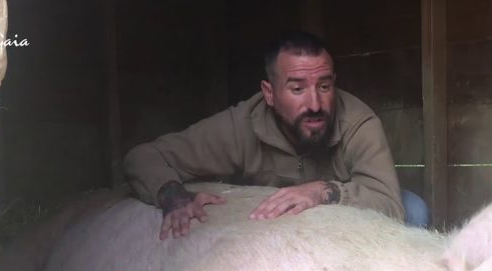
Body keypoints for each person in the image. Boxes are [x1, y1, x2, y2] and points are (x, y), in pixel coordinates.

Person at [124, 31, 426, 240]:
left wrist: (323, 191)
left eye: (324, 86)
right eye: (297, 89)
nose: (315, 104)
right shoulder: (239, 125)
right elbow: (144, 157)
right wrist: (174, 197)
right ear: (269, 93)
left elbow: (390, 204)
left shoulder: (358, 122)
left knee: (415, 208)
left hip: (340, 230)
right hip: (271, 238)